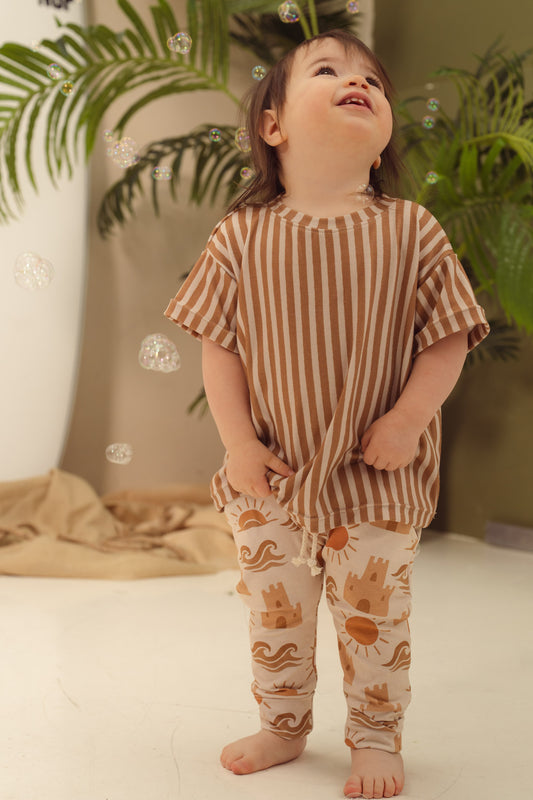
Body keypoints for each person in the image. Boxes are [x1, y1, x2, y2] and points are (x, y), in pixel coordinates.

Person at [164, 29, 490, 799]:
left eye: (372, 81)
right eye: (328, 70)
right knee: (273, 615)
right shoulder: (240, 236)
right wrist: (238, 445)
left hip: (375, 475)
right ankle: (282, 724)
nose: (360, 83)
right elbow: (219, 348)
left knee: (375, 619)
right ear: (272, 126)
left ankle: (375, 735)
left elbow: (448, 337)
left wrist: (407, 420)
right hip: (269, 475)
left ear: (380, 145)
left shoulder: (410, 230)